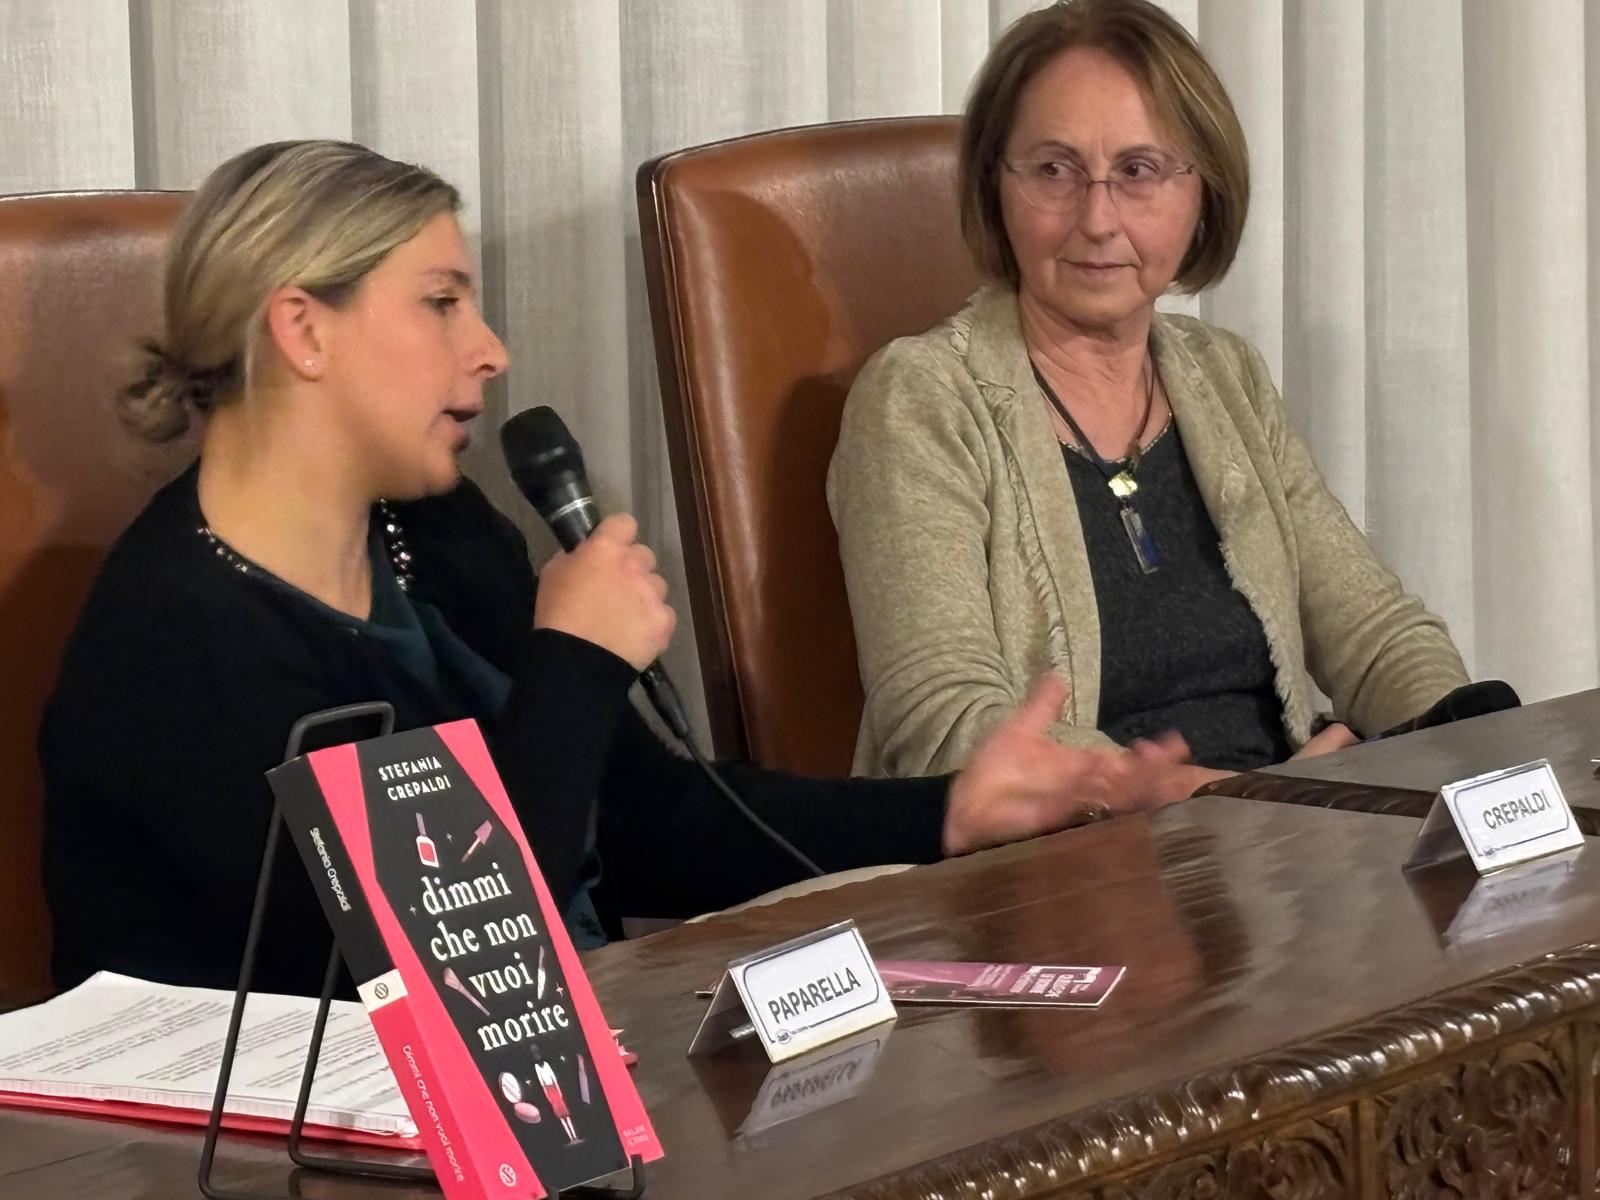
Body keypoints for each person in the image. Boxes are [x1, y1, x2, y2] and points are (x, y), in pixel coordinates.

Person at [39, 139, 1198, 998]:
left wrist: (946, 812)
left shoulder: (435, 534)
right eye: (441, 304)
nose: (489, 350)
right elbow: (444, 976)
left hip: (564, 1089)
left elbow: (647, 822)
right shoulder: (173, 638)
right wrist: (574, 664)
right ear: (303, 330)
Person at [827, 0, 1468, 787]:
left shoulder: (1226, 376)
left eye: (1138, 171)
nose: (1097, 219)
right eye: (1055, 170)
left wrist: (1475, 754)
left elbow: (1378, 636)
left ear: (1204, 195)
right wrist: (1242, 800)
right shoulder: (921, 399)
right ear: (995, 186)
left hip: (1286, 831)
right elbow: (945, 725)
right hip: (1071, 851)